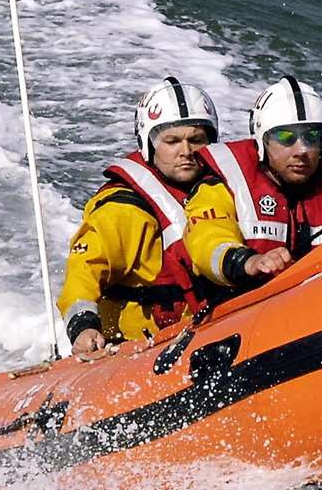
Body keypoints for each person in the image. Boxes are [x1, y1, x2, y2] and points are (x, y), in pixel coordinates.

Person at [57, 77, 221, 357]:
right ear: (149, 143)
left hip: (207, 331)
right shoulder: (124, 209)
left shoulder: (223, 192)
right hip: (135, 349)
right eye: (172, 140)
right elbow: (84, 270)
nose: (186, 151)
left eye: (197, 140)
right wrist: (83, 327)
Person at [183, 76, 322, 293]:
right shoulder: (222, 188)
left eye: (312, 137)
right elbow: (208, 239)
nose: (301, 151)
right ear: (262, 142)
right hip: (237, 311)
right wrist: (249, 262)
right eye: (286, 138)